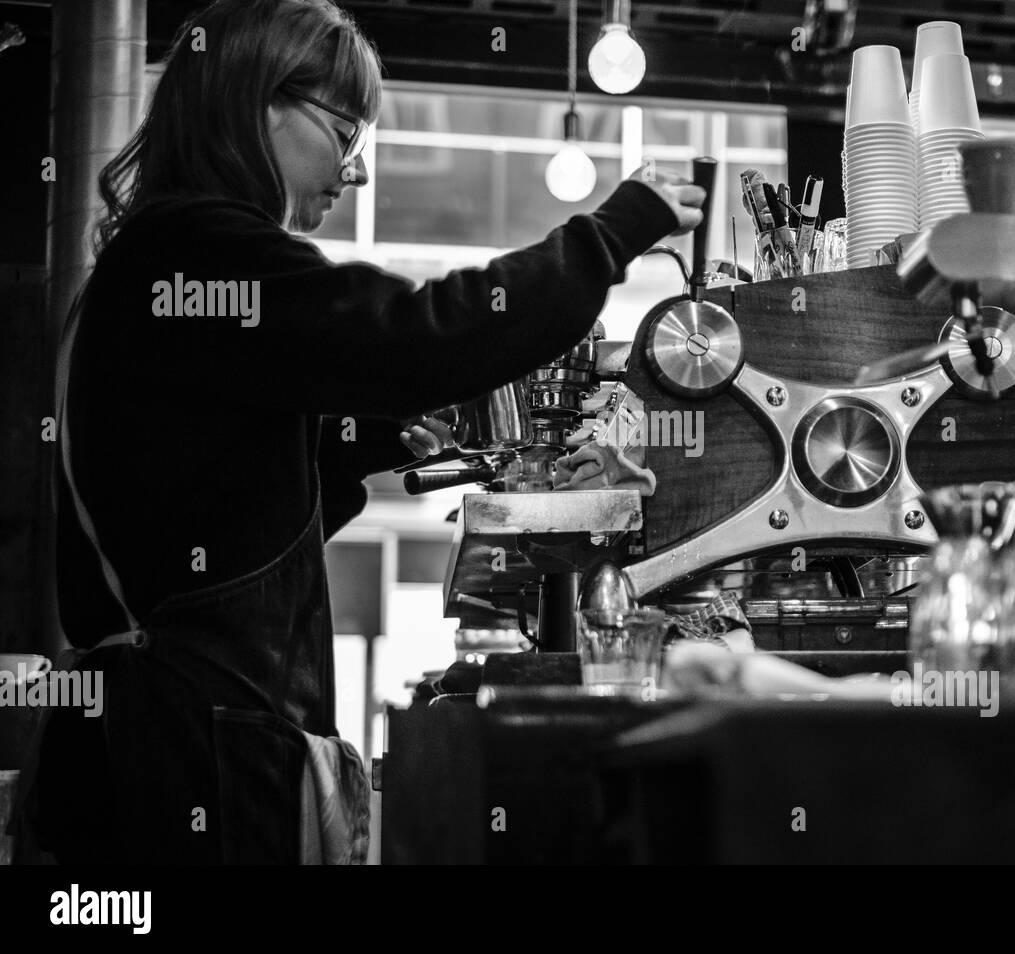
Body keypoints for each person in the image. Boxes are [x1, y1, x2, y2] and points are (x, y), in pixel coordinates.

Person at [19, 0, 703, 864]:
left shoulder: (158, 264)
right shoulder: (201, 252)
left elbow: (219, 503)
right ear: (257, 101)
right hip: (190, 758)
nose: (356, 172)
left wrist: (366, 435)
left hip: (167, 743)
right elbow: (425, 334)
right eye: (345, 133)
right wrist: (609, 235)